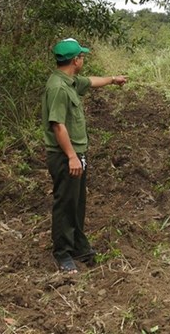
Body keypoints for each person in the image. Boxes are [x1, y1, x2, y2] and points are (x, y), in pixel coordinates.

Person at [41, 38, 127, 274]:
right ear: (75, 60)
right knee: (65, 204)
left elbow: (90, 82)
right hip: (64, 156)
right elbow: (58, 125)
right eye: (82, 56)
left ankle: (78, 245)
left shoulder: (69, 81)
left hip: (76, 154)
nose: (83, 60)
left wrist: (112, 80)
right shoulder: (58, 88)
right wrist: (71, 156)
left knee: (77, 203)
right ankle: (62, 253)